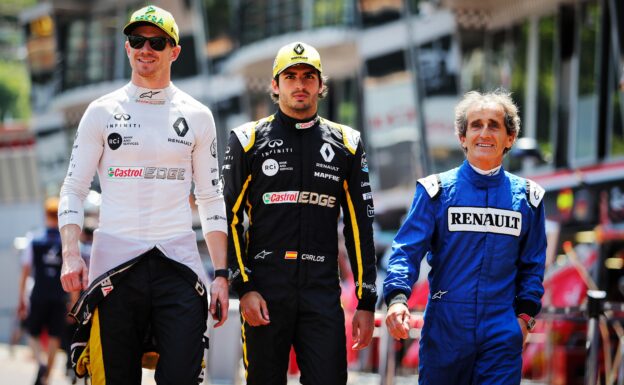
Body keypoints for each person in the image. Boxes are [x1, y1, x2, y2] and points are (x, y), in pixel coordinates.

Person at [58, 5, 228, 385]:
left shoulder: (198, 115)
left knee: (183, 376)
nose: (145, 49)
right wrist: (71, 254)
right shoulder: (100, 112)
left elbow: (211, 197)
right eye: (137, 40)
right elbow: (72, 189)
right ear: (126, 47)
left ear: (174, 51)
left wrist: (221, 274)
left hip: (178, 263)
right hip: (114, 266)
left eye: (156, 42)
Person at [222, 41, 378, 385]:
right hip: (265, 287)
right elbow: (227, 218)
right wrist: (243, 287)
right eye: (290, 76)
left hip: (321, 287)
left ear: (321, 85)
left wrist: (367, 301)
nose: (300, 84)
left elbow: (359, 225)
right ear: (275, 86)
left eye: (309, 76)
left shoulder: (347, 143)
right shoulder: (247, 139)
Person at [383, 89, 547, 385]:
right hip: (446, 328)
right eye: (476, 125)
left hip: (502, 330)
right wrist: (397, 299)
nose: (485, 132)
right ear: (462, 137)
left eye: (494, 125)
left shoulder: (529, 199)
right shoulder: (436, 191)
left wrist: (523, 320)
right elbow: (405, 251)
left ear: (510, 138)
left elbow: (533, 266)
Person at [17, 197, 67, 385]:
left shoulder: (34, 239)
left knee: (32, 331)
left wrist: (21, 297)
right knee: (55, 337)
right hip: (60, 295)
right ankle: (46, 378)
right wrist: (73, 299)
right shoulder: (66, 241)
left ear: (46, 214)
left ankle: (41, 362)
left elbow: (25, 271)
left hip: (38, 294)